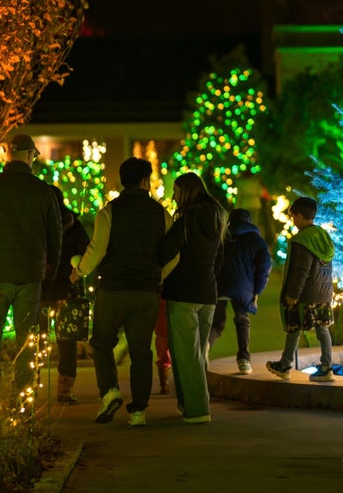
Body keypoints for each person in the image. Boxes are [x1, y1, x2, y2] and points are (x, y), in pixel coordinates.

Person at [70, 157, 178, 427]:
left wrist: (78, 270)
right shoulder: (160, 213)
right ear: (145, 181)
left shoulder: (109, 212)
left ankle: (110, 392)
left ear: (122, 180)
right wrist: (157, 275)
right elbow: (174, 255)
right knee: (141, 350)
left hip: (114, 289)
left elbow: (96, 251)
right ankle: (139, 411)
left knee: (102, 343)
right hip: (147, 292)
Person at [0, 133, 62, 398]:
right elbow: (56, 238)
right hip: (30, 275)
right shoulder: (44, 192)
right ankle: (22, 396)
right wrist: (49, 272)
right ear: (30, 156)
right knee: (25, 342)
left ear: (8, 155)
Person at [161, 172, 225, 423]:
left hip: (183, 291)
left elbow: (166, 250)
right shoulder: (217, 218)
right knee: (197, 353)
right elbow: (220, 257)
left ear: (186, 192)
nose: (173, 196)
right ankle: (188, 405)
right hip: (208, 292)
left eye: (175, 191)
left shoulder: (187, 220)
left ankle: (198, 410)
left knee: (186, 355)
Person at [266, 196, 337, 383]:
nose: (292, 221)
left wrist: (292, 295)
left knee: (294, 327)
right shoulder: (323, 236)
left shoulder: (302, 240)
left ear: (298, 215)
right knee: (323, 329)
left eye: (293, 217)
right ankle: (326, 367)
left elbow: (301, 271)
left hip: (306, 294)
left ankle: (286, 364)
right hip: (324, 292)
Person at [39, 185, 90, 404]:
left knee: (36, 338)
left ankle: (28, 385)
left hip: (40, 287)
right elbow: (86, 249)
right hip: (66, 288)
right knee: (66, 341)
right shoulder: (74, 224)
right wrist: (76, 271)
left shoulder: (38, 223)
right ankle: (65, 388)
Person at [209, 208, 272, 374]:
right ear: (249, 221)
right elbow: (264, 267)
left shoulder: (222, 237)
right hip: (244, 287)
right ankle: (244, 360)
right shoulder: (256, 240)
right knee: (242, 320)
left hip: (220, 284)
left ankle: (204, 348)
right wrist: (257, 290)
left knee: (216, 324)